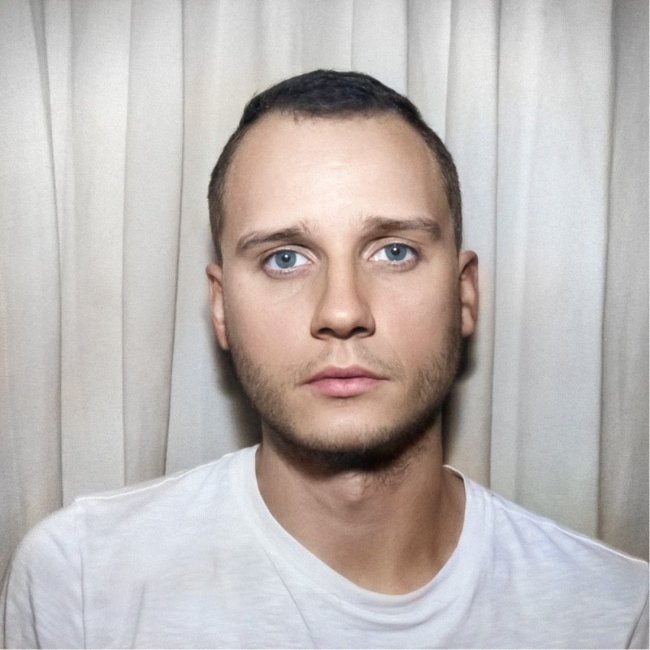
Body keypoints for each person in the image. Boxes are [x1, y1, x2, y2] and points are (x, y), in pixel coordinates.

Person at [1, 69, 647, 649]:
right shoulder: (81, 581)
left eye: (394, 252)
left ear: (464, 295)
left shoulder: (616, 616)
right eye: (285, 259)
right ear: (221, 308)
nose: (341, 311)